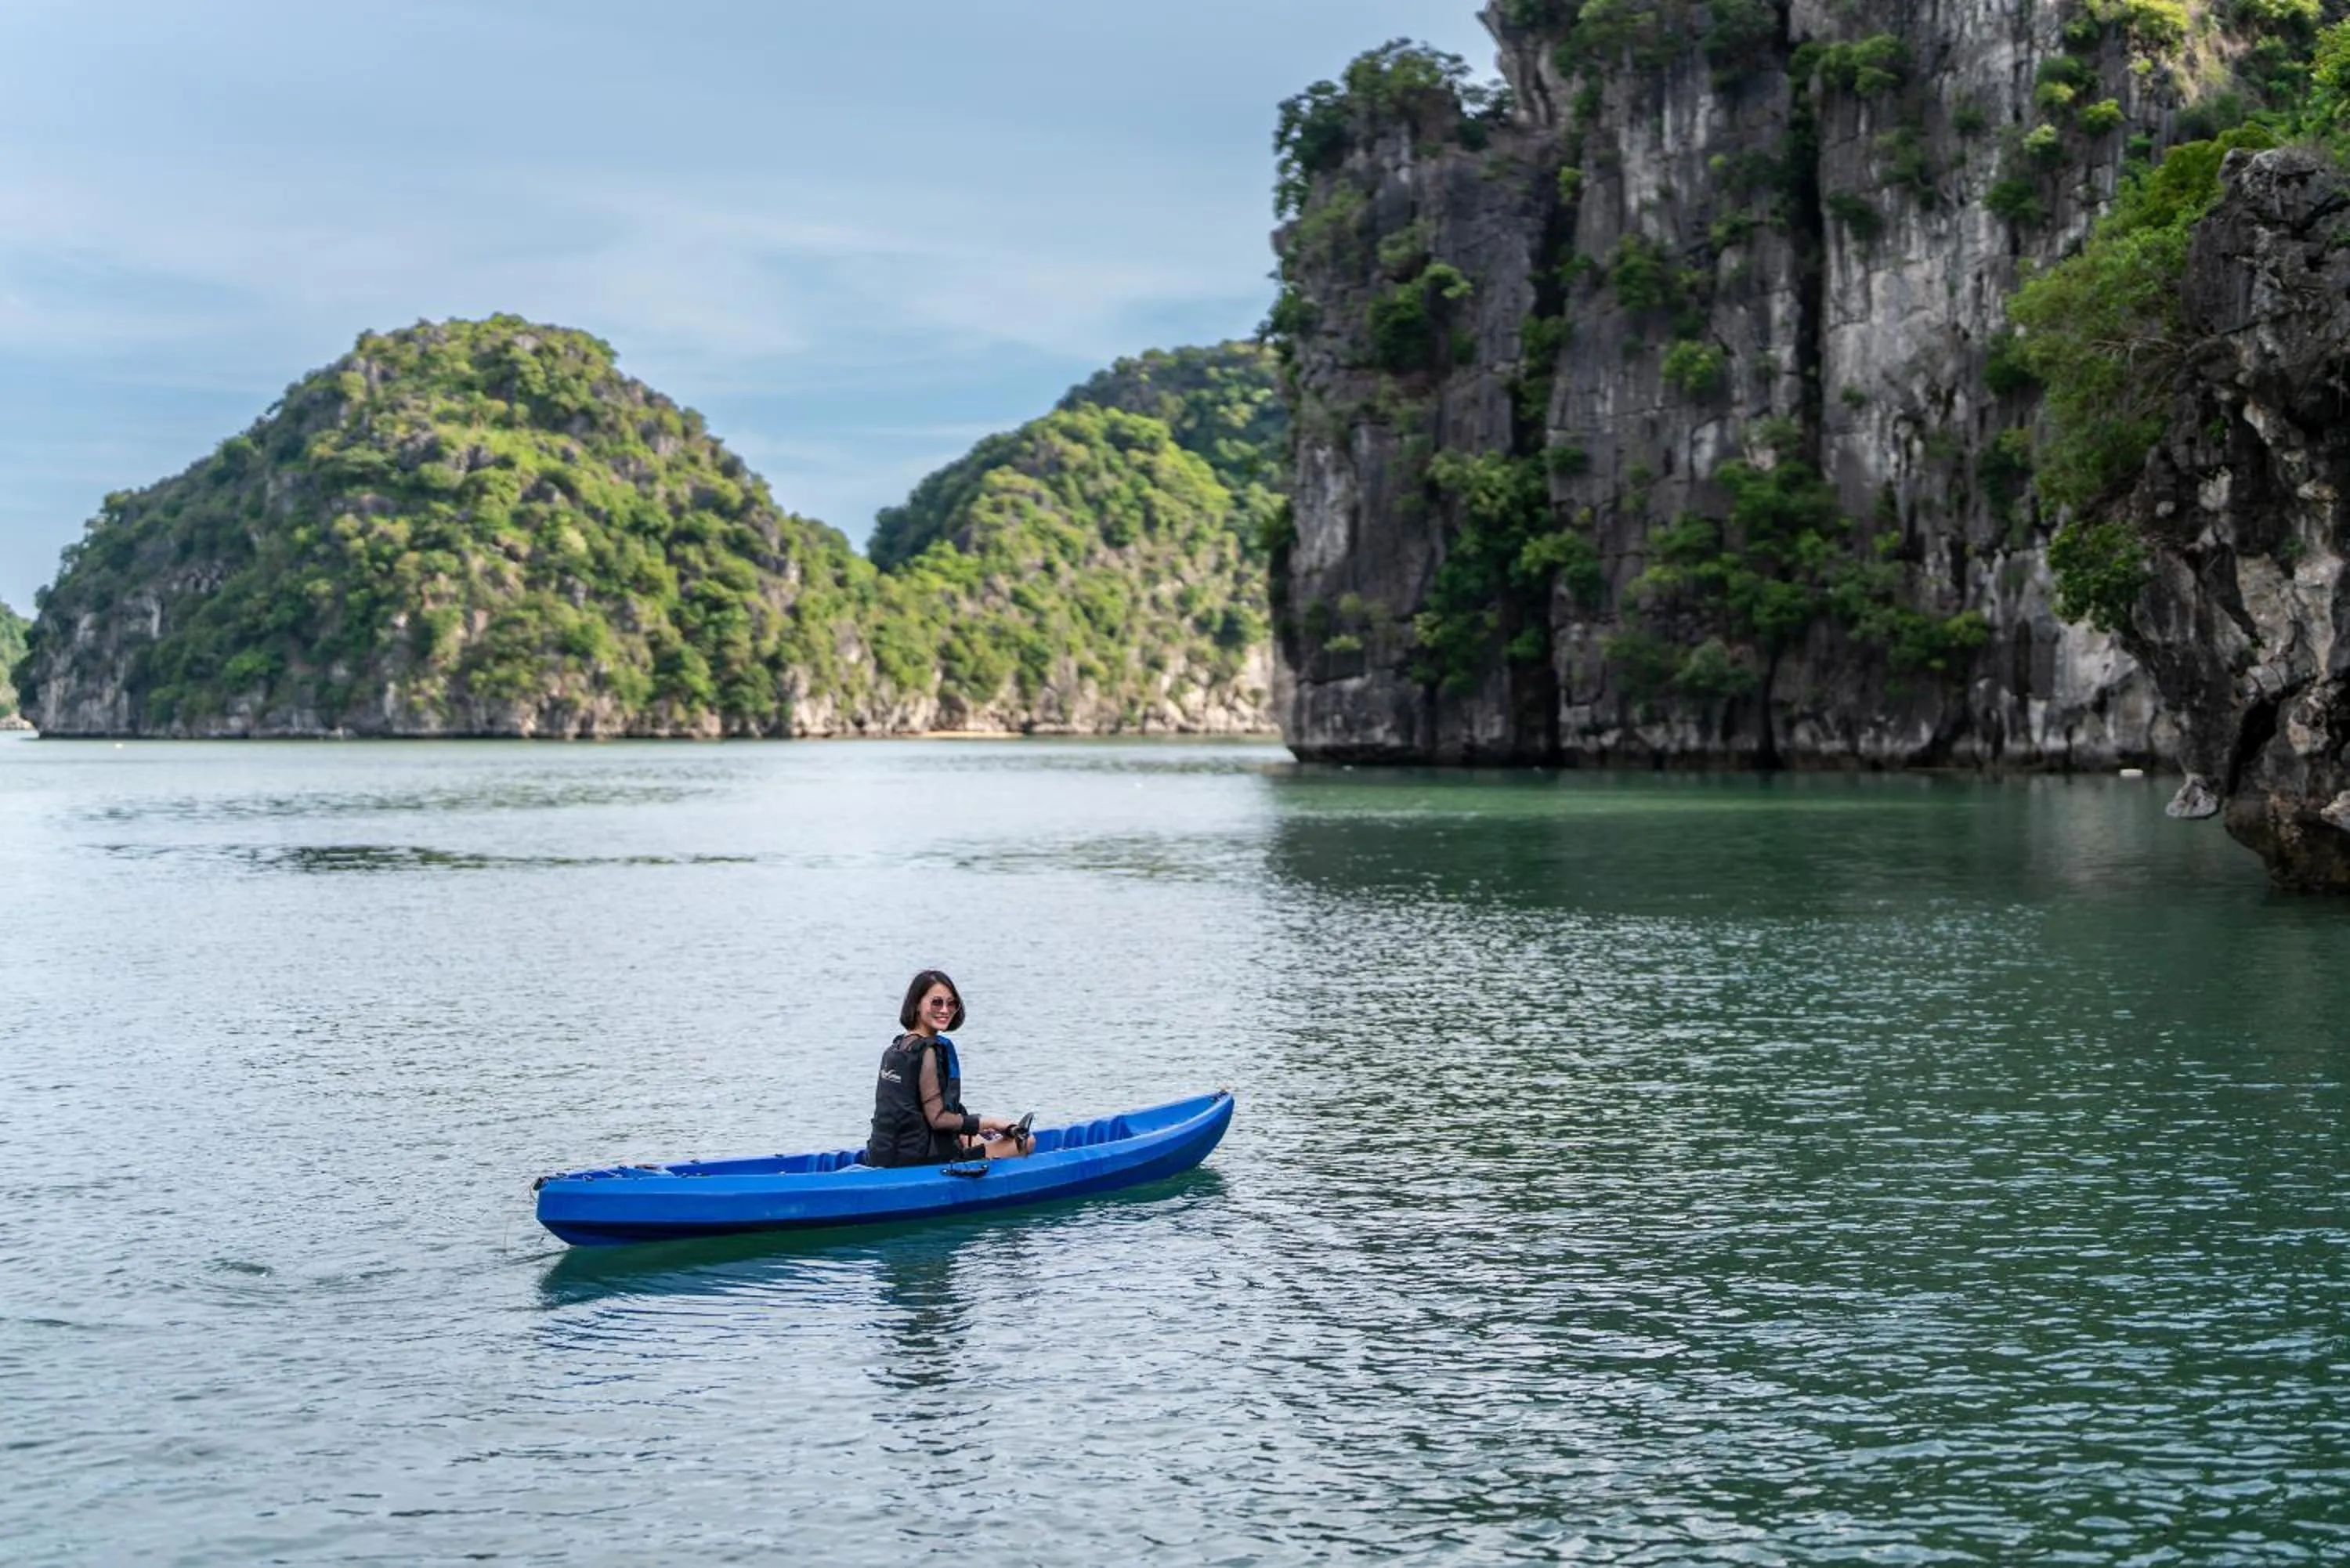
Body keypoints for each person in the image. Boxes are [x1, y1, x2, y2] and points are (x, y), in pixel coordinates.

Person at [866, 970, 1034, 1168]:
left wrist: (974, 1127)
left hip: (881, 1155)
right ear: (917, 1004)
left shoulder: (897, 1048)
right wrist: (994, 1123)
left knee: (970, 1135)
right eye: (937, 1002)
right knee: (1027, 1142)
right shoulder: (927, 1052)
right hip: (921, 1161)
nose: (945, 1010)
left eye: (951, 1003)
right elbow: (938, 1119)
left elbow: (927, 1108)